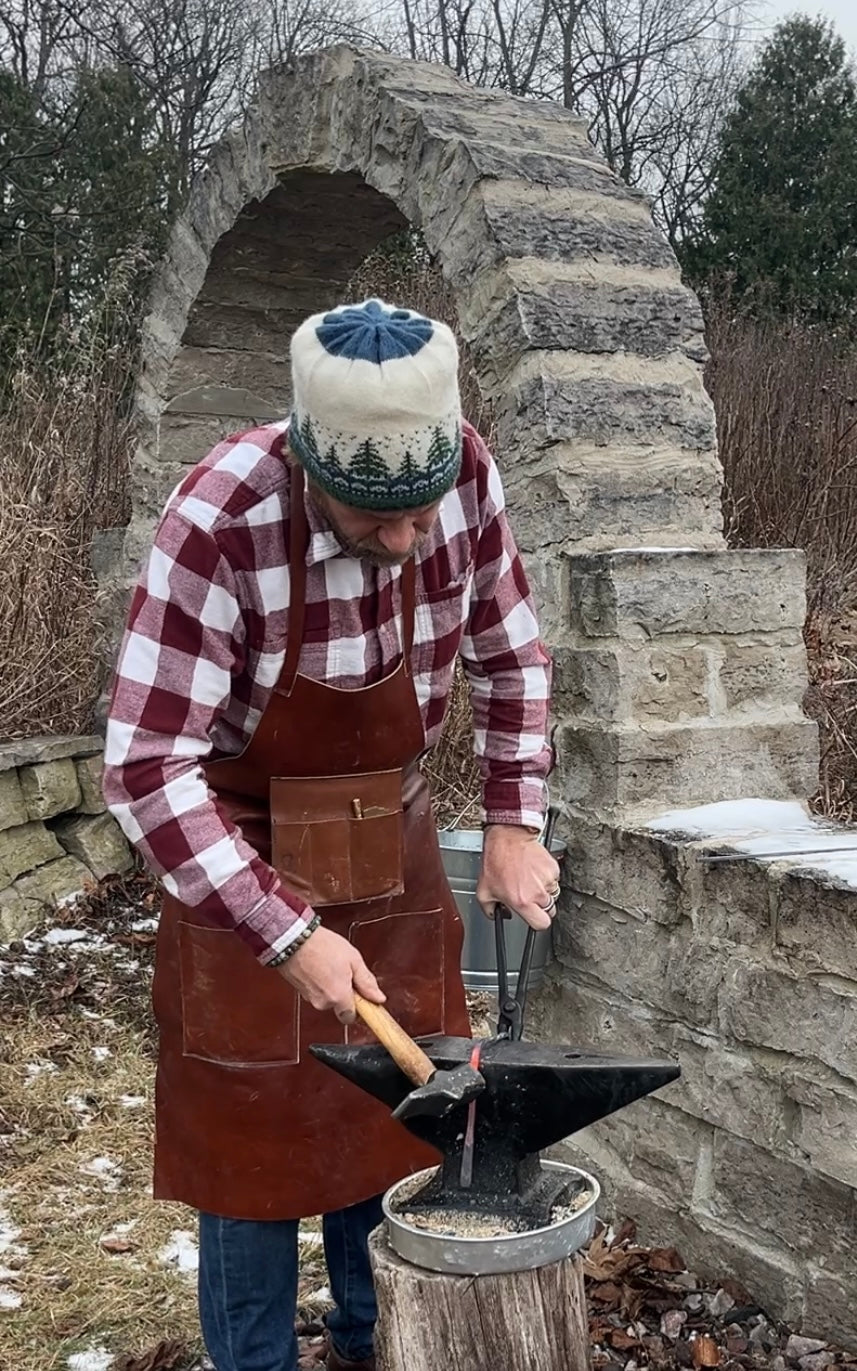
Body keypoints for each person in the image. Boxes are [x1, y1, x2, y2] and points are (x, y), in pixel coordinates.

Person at [103, 297, 559, 1371]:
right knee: (250, 1153)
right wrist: (284, 931)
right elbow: (143, 767)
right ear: (310, 462)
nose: (405, 540)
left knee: (396, 1123)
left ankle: (376, 1343)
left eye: (420, 511)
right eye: (370, 515)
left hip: (392, 853)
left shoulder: (467, 473)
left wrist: (510, 819)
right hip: (240, 860)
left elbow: (511, 659)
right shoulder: (218, 521)